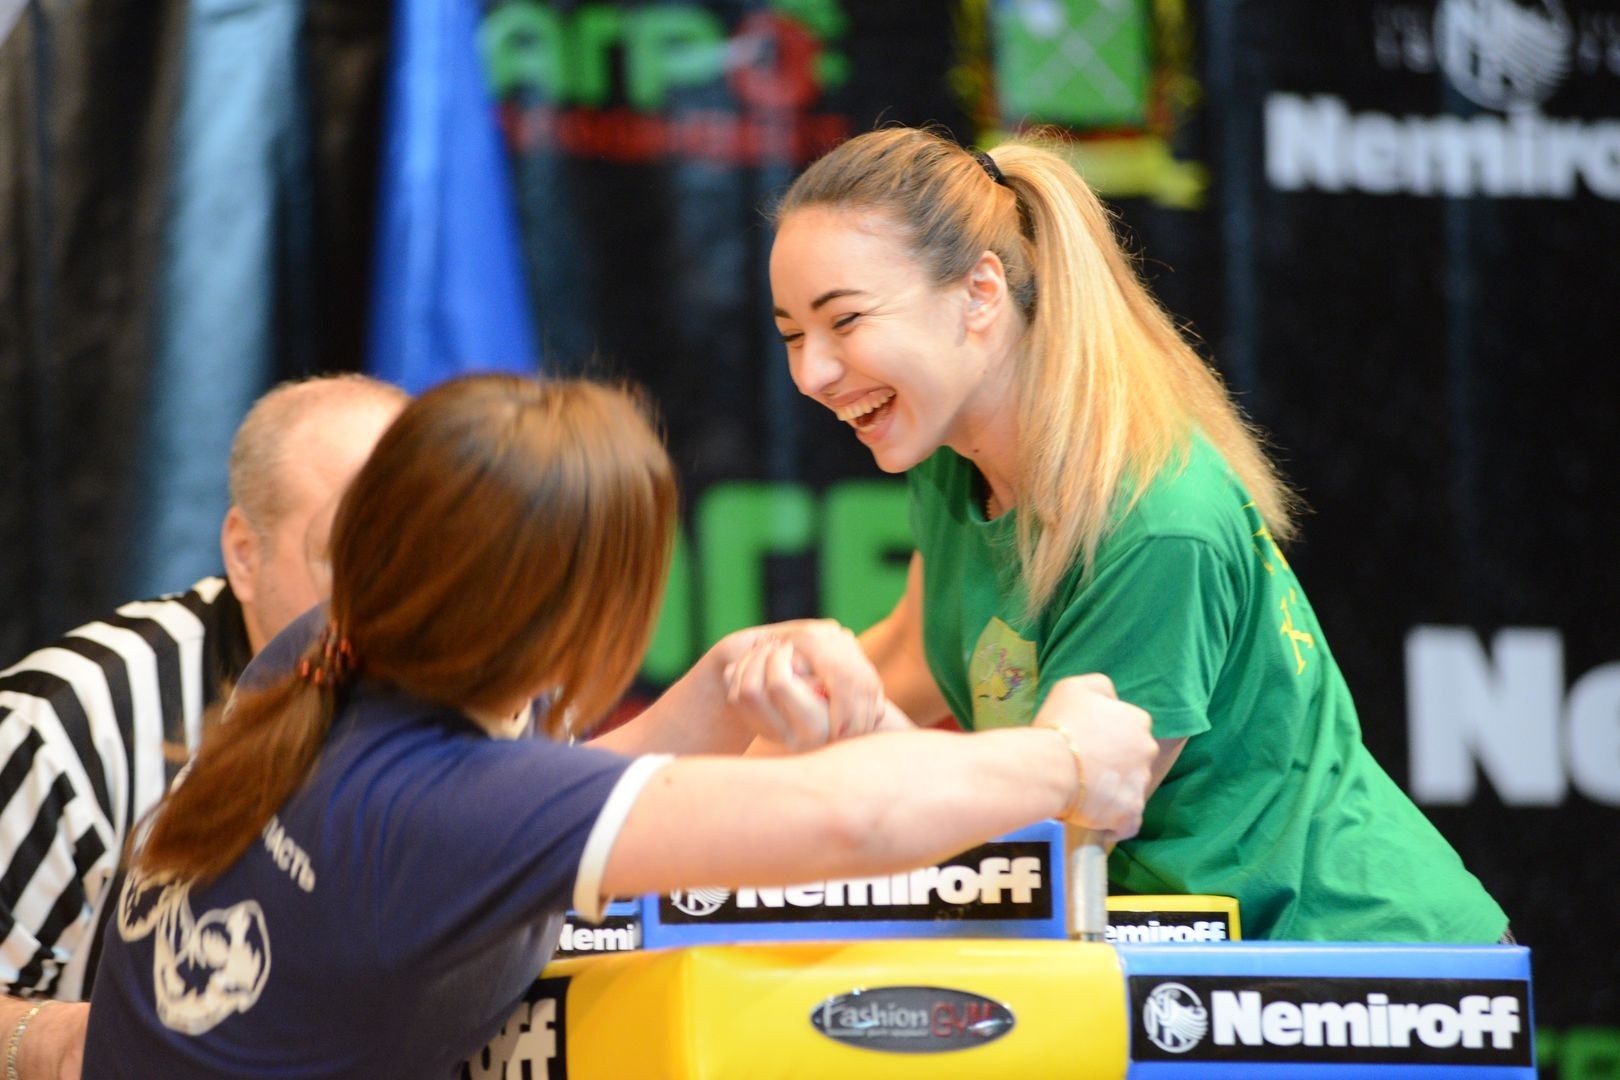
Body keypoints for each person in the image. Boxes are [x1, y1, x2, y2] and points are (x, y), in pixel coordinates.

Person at [81, 375, 1157, 1078]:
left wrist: (723, 685)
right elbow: (847, 816)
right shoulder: (440, 809)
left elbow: (535, 817)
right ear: (583, 617)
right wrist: (1065, 757)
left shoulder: (319, 653)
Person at [767, 126, 1509, 943]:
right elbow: (909, 659)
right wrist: (708, 793)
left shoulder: (1156, 523)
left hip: (1359, 964)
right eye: (793, 335)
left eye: (845, 321)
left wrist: (828, 793)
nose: (811, 373)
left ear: (979, 292)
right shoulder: (949, 455)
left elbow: (1063, 836)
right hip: (1188, 961)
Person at [0, 375, 406, 1075]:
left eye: (420, 552)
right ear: (245, 554)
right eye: (348, 554)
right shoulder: (70, 726)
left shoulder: (495, 700)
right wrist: (59, 1043)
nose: (393, 595)